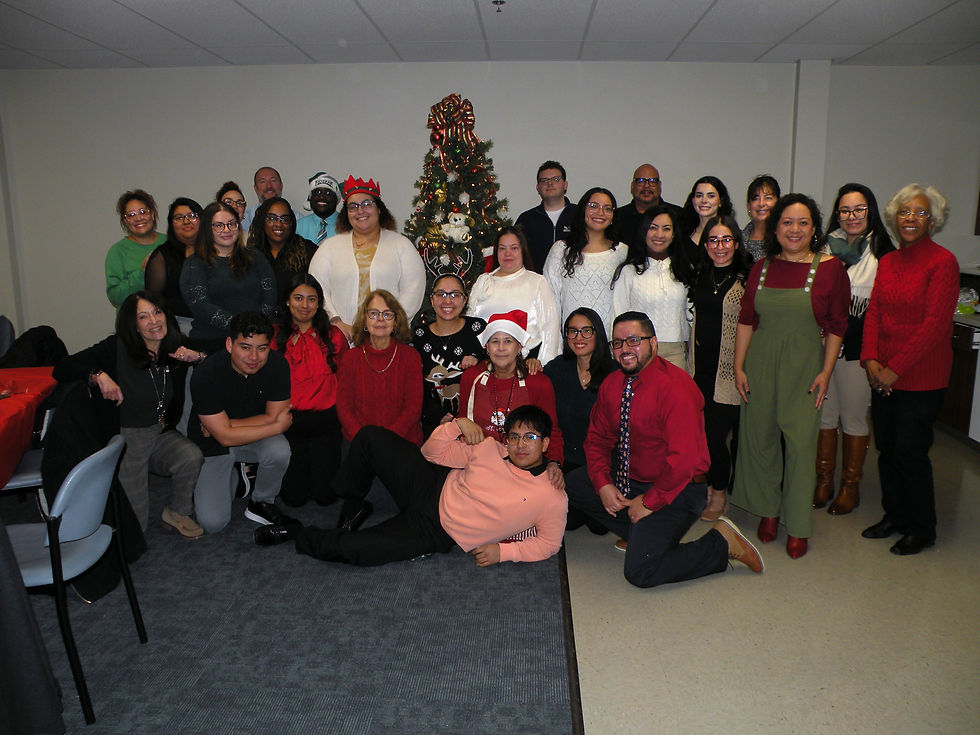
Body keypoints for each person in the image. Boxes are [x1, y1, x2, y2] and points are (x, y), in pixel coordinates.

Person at [565, 311, 764, 587]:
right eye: (618, 343)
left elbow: (683, 462)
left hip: (679, 487)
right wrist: (602, 484)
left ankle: (721, 543)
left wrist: (649, 502)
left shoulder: (676, 387)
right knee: (574, 483)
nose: (625, 349)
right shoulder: (612, 384)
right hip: (631, 479)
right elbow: (597, 440)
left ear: (654, 343)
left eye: (634, 340)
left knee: (640, 571)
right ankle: (641, 533)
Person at [253, 406, 568, 569]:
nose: (520, 445)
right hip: (429, 484)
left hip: (436, 531)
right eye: (514, 436)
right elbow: (431, 454)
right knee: (370, 437)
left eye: (530, 438)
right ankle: (354, 501)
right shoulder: (489, 448)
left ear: (546, 443)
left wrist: (506, 552)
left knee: (357, 551)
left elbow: (549, 544)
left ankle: (295, 532)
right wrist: (457, 424)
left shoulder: (551, 495)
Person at [732, 193, 849, 559]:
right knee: (761, 438)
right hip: (761, 363)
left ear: (814, 228)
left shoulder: (831, 268)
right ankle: (769, 510)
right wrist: (738, 367)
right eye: (787, 222)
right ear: (776, 227)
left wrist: (826, 372)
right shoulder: (761, 267)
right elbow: (747, 320)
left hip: (805, 365)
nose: (794, 229)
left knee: (800, 445)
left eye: (803, 223)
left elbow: (836, 326)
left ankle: (798, 524)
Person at [53, 291, 206, 537]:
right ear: (133, 325)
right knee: (136, 528)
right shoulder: (116, 348)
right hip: (127, 438)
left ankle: (177, 512)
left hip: (159, 431)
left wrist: (197, 356)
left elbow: (220, 349)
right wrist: (98, 374)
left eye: (157, 312)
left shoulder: (174, 347)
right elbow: (62, 368)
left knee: (190, 456)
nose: (154, 321)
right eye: (143, 317)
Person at [860, 184, 959, 556]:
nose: (911, 219)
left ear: (932, 220)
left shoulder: (942, 262)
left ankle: (923, 527)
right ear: (894, 217)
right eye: (905, 212)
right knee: (886, 448)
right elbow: (875, 314)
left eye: (919, 213)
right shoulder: (888, 261)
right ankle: (895, 517)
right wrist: (870, 359)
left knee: (910, 452)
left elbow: (934, 326)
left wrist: (893, 370)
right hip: (882, 372)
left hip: (921, 378)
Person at [813, 184, 894, 515]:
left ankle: (850, 486)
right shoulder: (821, 247)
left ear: (870, 211)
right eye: (845, 210)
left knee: (855, 416)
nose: (851, 217)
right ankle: (823, 481)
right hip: (820, 346)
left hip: (860, 350)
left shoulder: (884, 253)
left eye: (859, 209)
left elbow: (885, 308)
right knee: (824, 414)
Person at [188, 311, 296, 534]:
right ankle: (237, 476)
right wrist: (276, 426)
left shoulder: (278, 365)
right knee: (213, 523)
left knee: (279, 450)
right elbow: (225, 437)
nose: (254, 357)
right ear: (229, 344)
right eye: (245, 347)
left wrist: (226, 425)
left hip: (248, 435)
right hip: (214, 445)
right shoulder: (206, 373)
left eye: (262, 348)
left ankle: (262, 501)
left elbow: (272, 415)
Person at [308, 176, 426, 341]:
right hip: (340, 338)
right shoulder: (329, 247)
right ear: (346, 213)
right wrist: (335, 321)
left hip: (387, 339)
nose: (360, 211)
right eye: (353, 206)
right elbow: (316, 288)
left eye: (367, 204)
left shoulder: (401, 245)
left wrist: (389, 325)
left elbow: (413, 290)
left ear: (379, 209)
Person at [689, 216, 752, 521]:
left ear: (736, 244)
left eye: (726, 240)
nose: (720, 247)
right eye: (713, 240)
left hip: (727, 372)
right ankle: (710, 488)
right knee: (701, 436)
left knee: (716, 438)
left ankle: (719, 496)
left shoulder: (746, 280)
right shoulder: (700, 276)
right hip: (699, 370)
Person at [272, 273, 349, 507]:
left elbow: (346, 380)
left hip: (326, 422)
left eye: (311, 299)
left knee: (326, 496)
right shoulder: (275, 336)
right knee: (294, 499)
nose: (305, 306)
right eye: (298, 298)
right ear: (287, 301)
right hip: (289, 422)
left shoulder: (334, 336)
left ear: (319, 303)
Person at [456, 310, 564, 471]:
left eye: (508, 341)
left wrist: (554, 462)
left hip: (524, 464)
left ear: (519, 347)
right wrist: (460, 423)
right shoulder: (471, 377)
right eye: (495, 341)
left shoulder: (538, 382)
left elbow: (552, 430)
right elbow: (462, 419)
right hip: (479, 462)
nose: (501, 348)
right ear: (486, 347)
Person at [179, 200, 277, 352]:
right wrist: (242, 328)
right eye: (218, 225)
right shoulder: (195, 264)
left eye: (232, 223)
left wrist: (254, 329)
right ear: (207, 229)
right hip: (211, 344)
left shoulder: (256, 257)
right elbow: (201, 305)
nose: (227, 230)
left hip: (255, 343)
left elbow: (270, 295)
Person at [336, 289, 423, 445]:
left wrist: (384, 442)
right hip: (359, 442)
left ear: (396, 321)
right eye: (374, 314)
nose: (381, 319)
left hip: (401, 442)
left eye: (387, 314)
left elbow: (413, 409)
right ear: (364, 320)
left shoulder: (410, 357)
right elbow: (344, 408)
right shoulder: (350, 358)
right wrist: (365, 440)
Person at [612, 205, 692, 371]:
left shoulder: (684, 270)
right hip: (637, 351)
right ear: (643, 232)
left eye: (666, 229)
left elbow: (691, 315)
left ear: (674, 234)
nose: (659, 235)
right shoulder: (629, 271)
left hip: (676, 351)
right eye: (653, 228)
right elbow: (618, 314)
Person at [467, 227, 561, 364]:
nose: (508, 254)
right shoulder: (483, 281)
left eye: (514, 248)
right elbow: (470, 323)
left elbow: (550, 330)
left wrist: (545, 365)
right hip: (485, 362)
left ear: (523, 250)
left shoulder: (537, 282)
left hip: (527, 363)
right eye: (502, 248)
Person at [543, 187, 628, 337]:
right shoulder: (561, 250)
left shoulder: (623, 252)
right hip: (573, 341)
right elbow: (551, 302)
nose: (600, 213)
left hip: (611, 342)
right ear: (582, 210)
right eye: (593, 206)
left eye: (607, 208)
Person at [411, 274, 486, 438]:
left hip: (478, 426)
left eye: (455, 294)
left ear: (465, 300)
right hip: (435, 428)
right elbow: (412, 386)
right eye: (441, 294)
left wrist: (478, 359)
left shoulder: (479, 329)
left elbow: (499, 364)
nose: (447, 301)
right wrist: (436, 413)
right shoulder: (418, 336)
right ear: (431, 299)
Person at [543, 307, 615, 474]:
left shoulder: (615, 373)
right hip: (561, 463)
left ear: (598, 334)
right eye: (573, 331)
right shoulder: (556, 369)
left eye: (586, 331)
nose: (579, 337)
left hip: (604, 466)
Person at [144, 197, 203, 326]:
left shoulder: (217, 250)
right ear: (171, 224)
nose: (186, 221)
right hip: (178, 325)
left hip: (216, 322)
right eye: (179, 217)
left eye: (192, 216)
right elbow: (152, 300)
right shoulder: (161, 256)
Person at [247, 196, 317, 304]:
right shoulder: (250, 253)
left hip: (295, 318)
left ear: (291, 223)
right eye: (271, 218)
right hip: (260, 318)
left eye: (284, 219)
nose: (278, 224)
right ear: (262, 220)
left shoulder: (307, 250)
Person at [105, 189, 167, 308]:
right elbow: (115, 297)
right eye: (131, 215)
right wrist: (142, 272)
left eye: (143, 212)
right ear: (125, 221)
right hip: (133, 321)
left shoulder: (169, 242)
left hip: (170, 319)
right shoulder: (117, 251)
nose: (138, 218)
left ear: (152, 214)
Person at [514, 161, 577, 273]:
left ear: (565, 184)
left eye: (556, 179)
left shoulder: (580, 215)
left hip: (573, 284)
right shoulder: (526, 219)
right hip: (536, 285)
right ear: (538, 188)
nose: (550, 183)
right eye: (544, 181)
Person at [609, 164, 681, 246]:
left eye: (652, 181)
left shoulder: (678, 215)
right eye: (640, 181)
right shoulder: (617, 217)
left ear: (660, 186)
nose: (646, 186)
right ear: (632, 186)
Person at [680, 176, 735, 274]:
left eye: (711, 196)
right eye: (699, 195)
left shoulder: (732, 234)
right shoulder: (681, 234)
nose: (704, 200)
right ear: (693, 200)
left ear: (720, 202)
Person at [742, 175, 781, 262]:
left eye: (768, 198)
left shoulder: (786, 241)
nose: (761, 204)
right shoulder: (736, 242)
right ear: (748, 206)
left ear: (778, 203)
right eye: (755, 198)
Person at [295, 172, 342, 244]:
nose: (322, 197)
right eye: (318, 192)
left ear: (336, 199)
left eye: (328, 193)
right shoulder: (298, 226)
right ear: (310, 198)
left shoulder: (348, 224)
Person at [241, 166, 283, 232]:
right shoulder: (244, 221)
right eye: (262, 181)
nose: (269, 186)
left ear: (281, 185)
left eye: (273, 180)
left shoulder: (297, 218)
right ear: (255, 188)